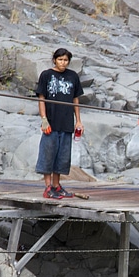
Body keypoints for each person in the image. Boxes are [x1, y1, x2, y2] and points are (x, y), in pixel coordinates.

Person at [35, 47, 83, 200]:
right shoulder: (46, 75)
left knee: (62, 157)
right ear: (54, 59)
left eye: (66, 60)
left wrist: (78, 121)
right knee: (48, 154)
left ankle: (57, 185)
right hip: (51, 122)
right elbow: (41, 98)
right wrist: (44, 119)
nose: (63, 63)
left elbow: (76, 99)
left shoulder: (73, 76)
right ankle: (48, 187)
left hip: (67, 122)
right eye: (60, 59)